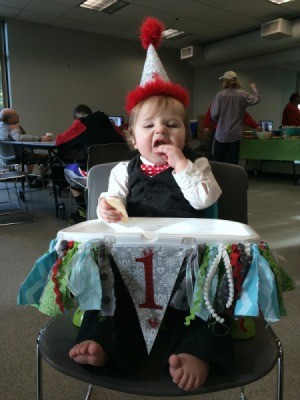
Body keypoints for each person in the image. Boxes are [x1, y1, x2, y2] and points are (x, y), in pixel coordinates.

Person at [69, 17, 233, 392]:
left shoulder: (197, 166)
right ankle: (102, 342)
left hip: (187, 257)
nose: (161, 131)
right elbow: (113, 201)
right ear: (131, 136)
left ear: (185, 132)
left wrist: (181, 166)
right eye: (149, 126)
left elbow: (205, 197)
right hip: (134, 255)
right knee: (104, 280)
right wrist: (108, 208)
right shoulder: (124, 170)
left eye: (172, 125)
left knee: (213, 285)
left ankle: (197, 350)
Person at [55, 104, 125, 222]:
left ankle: (82, 210)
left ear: (77, 117)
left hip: (93, 172)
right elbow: (123, 139)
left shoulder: (81, 124)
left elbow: (59, 141)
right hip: (116, 171)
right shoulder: (110, 123)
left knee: (68, 169)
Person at [210, 71, 261, 164]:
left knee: (217, 160)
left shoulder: (220, 95)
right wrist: (254, 88)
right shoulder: (243, 94)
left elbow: (214, 114)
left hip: (222, 134)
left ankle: (215, 178)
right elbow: (257, 99)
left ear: (225, 81)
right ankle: (232, 178)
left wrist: (219, 120)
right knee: (233, 162)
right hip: (235, 134)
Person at [0, 108, 51, 187]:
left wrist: (19, 127)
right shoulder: (12, 128)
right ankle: (39, 180)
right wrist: (40, 138)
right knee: (49, 158)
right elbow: (19, 138)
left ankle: (28, 181)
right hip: (17, 156)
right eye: (15, 115)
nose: (18, 116)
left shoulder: (1, 127)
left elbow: (21, 135)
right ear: (9, 119)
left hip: (5, 158)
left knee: (29, 157)